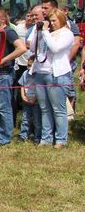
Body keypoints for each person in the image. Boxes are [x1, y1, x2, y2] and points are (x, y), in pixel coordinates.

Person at [30, 8, 74, 148]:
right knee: (45, 108)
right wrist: (37, 32)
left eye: (54, 20)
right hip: (40, 73)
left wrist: (45, 32)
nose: (52, 23)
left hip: (57, 74)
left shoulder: (67, 34)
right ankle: (46, 138)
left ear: (61, 20)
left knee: (58, 109)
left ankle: (61, 139)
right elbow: (32, 48)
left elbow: (55, 48)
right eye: (50, 20)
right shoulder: (44, 32)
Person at [0, 7, 26, 145]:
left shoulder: (8, 32)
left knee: (4, 107)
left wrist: (5, 59)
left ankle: (4, 138)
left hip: (4, 74)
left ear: (3, 19)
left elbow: (22, 48)